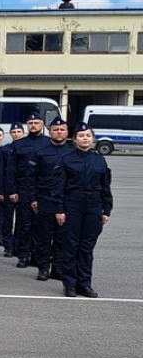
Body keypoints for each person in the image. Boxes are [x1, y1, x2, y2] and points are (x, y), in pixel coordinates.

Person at [55, 123, 112, 298]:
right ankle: (70, 285)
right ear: (74, 139)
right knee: (71, 246)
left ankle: (84, 284)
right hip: (73, 204)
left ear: (93, 139)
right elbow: (59, 187)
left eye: (88, 135)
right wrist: (59, 209)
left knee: (87, 247)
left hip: (93, 205)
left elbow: (105, 187)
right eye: (81, 135)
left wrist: (106, 209)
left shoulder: (99, 160)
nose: (85, 138)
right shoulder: (66, 159)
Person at [29, 117, 74, 282]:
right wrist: (33, 198)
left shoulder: (72, 152)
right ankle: (43, 268)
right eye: (56, 129)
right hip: (45, 199)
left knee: (62, 237)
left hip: (66, 201)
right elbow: (32, 178)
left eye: (62, 129)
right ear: (50, 132)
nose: (59, 132)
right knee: (44, 237)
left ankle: (57, 268)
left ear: (67, 132)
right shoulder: (40, 152)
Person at [9, 112, 49, 269]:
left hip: (43, 190)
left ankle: (37, 256)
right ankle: (23, 255)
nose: (33, 126)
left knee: (41, 226)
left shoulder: (48, 143)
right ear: (27, 125)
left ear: (42, 125)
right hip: (23, 189)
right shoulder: (19, 144)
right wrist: (12, 190)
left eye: (37, 123)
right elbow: (11, 170)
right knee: (24, 225)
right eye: (31, 123)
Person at [0, 122, 25, 257]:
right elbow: (1, 172)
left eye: (18, 132)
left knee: (21, 221)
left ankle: (18, 245)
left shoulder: (26, 148)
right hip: (7, 189)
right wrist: (0, 190)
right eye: (14, 132)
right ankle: (8, 246)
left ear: (23, 132)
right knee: (7, 220)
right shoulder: (6, 149)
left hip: (22, 189)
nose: (16, 134)